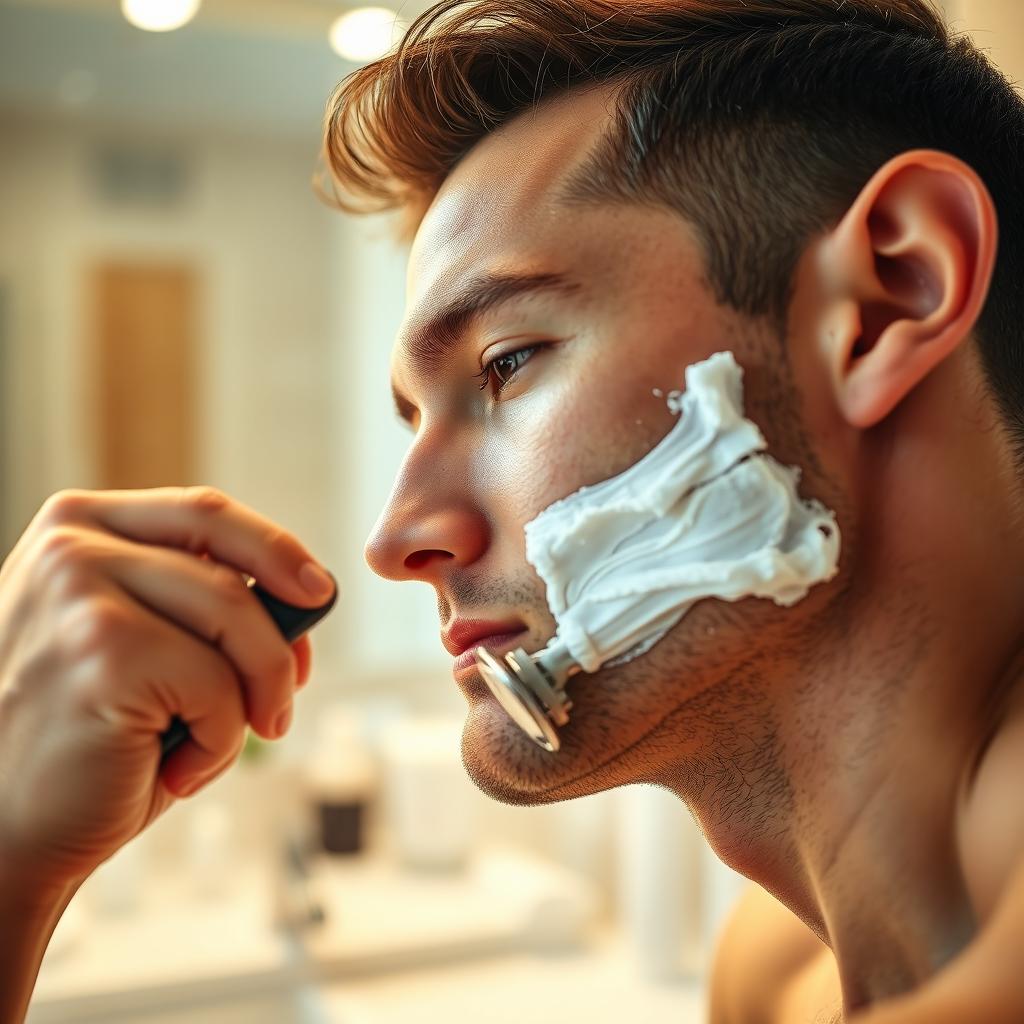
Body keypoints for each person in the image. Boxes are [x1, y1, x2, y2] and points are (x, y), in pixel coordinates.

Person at [2, 0, 1023, 1021]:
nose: (398, 539)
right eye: (412, 420)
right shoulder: (775, 974)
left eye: (507, 364)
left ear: (892, 293)